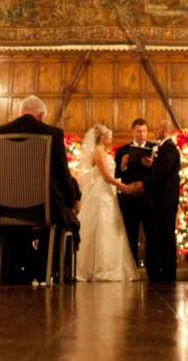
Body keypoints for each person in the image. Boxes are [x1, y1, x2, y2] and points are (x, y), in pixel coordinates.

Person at [0, 95, 80, 278]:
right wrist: (70, 201)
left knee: (14, 228)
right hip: (43, 208)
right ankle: (46, 269)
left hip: (4, 209)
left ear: (21, 113)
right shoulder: (52, 133)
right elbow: (63, 175)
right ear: (41, 116)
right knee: (65, 219)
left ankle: (15, 268)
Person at [75, 124, 139, 281]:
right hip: (102, 192)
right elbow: (105, 176)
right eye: (110, 136)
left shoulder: (103, 152)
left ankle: (110, 265)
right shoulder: (98, 151)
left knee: (111, 227)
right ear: (102, 137)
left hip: (109, 193)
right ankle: (102, 268)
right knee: (103, 227)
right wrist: (125, 188)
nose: (112, 139)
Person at [132, 118, 181, 281]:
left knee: (166, 236)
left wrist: (143, 183)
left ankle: (168, 272)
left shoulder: (170, 148)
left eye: (157, 129)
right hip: (160, 200)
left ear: (166, 130)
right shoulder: (163, 148)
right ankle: (162, 271)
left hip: (166, 199)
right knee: (160, 236)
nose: (154, 132)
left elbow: (163, 173)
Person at [114, 118, 155, 264]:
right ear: (133, 132)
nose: (142, 134)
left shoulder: (154, 149)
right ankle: (131, 267)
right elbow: (116, 176)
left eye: (144, 131)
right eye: (139, 131)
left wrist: (153, 166)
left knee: (152, 235)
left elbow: (160, 175)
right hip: (129, 200)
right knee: (130, 235)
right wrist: (123, 165)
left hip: (148, 198)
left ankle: (152, 270)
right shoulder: (122, 151)